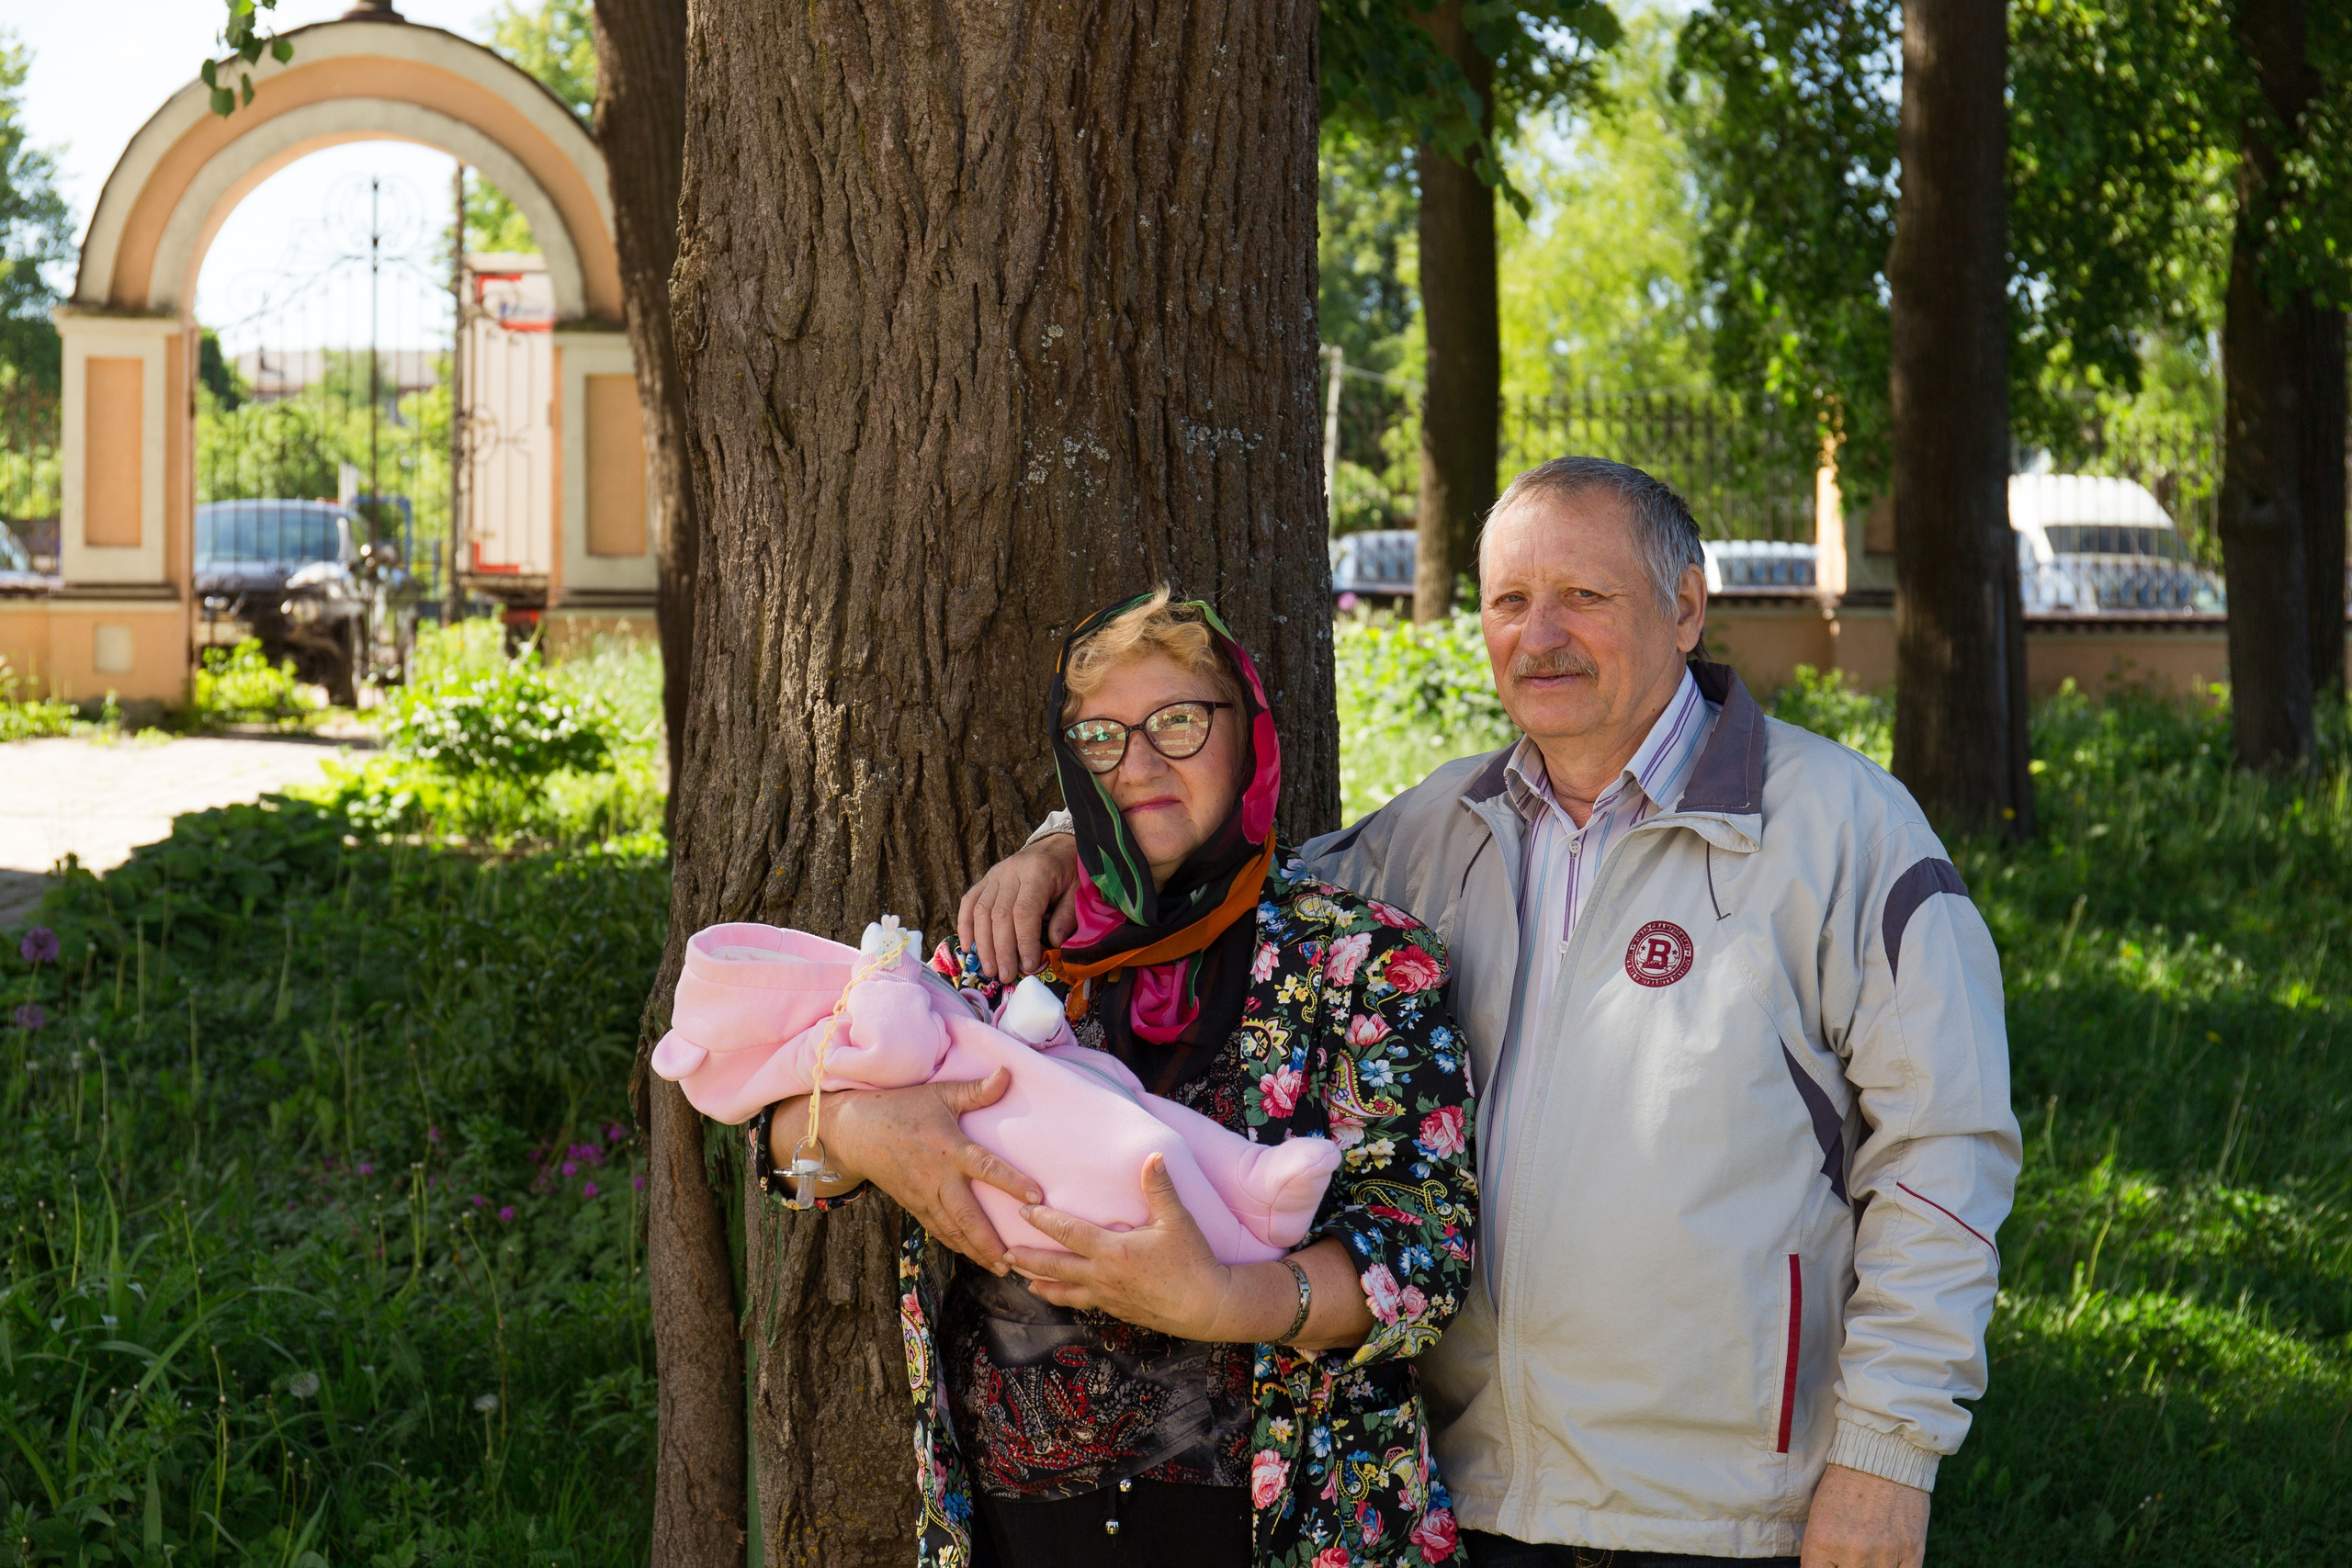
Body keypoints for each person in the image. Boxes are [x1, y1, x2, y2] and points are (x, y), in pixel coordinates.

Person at [963, 458, 2023, 1567]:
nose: (1540, 634)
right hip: (1468, 1500)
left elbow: (1941, 1157)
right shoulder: (1433, 833)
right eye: (1510, 601)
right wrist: (1061, 842)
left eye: (1585, 597)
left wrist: (1885, 1461)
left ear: (1687, 608)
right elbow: (1221, 881)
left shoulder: (1844, 832)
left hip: (1725, 1516)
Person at [751, 590, 1480, 1567]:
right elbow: (778, 1141)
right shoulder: (1002, 959)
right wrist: (851, 1133)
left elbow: (1422, 1259)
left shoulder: (1361, 963)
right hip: (1015, 1535)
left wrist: (1228, 1301)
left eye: (1177, 721)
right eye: (1100, 737)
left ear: (1251, 735)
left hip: (1290, 1532)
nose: (1137, 765)